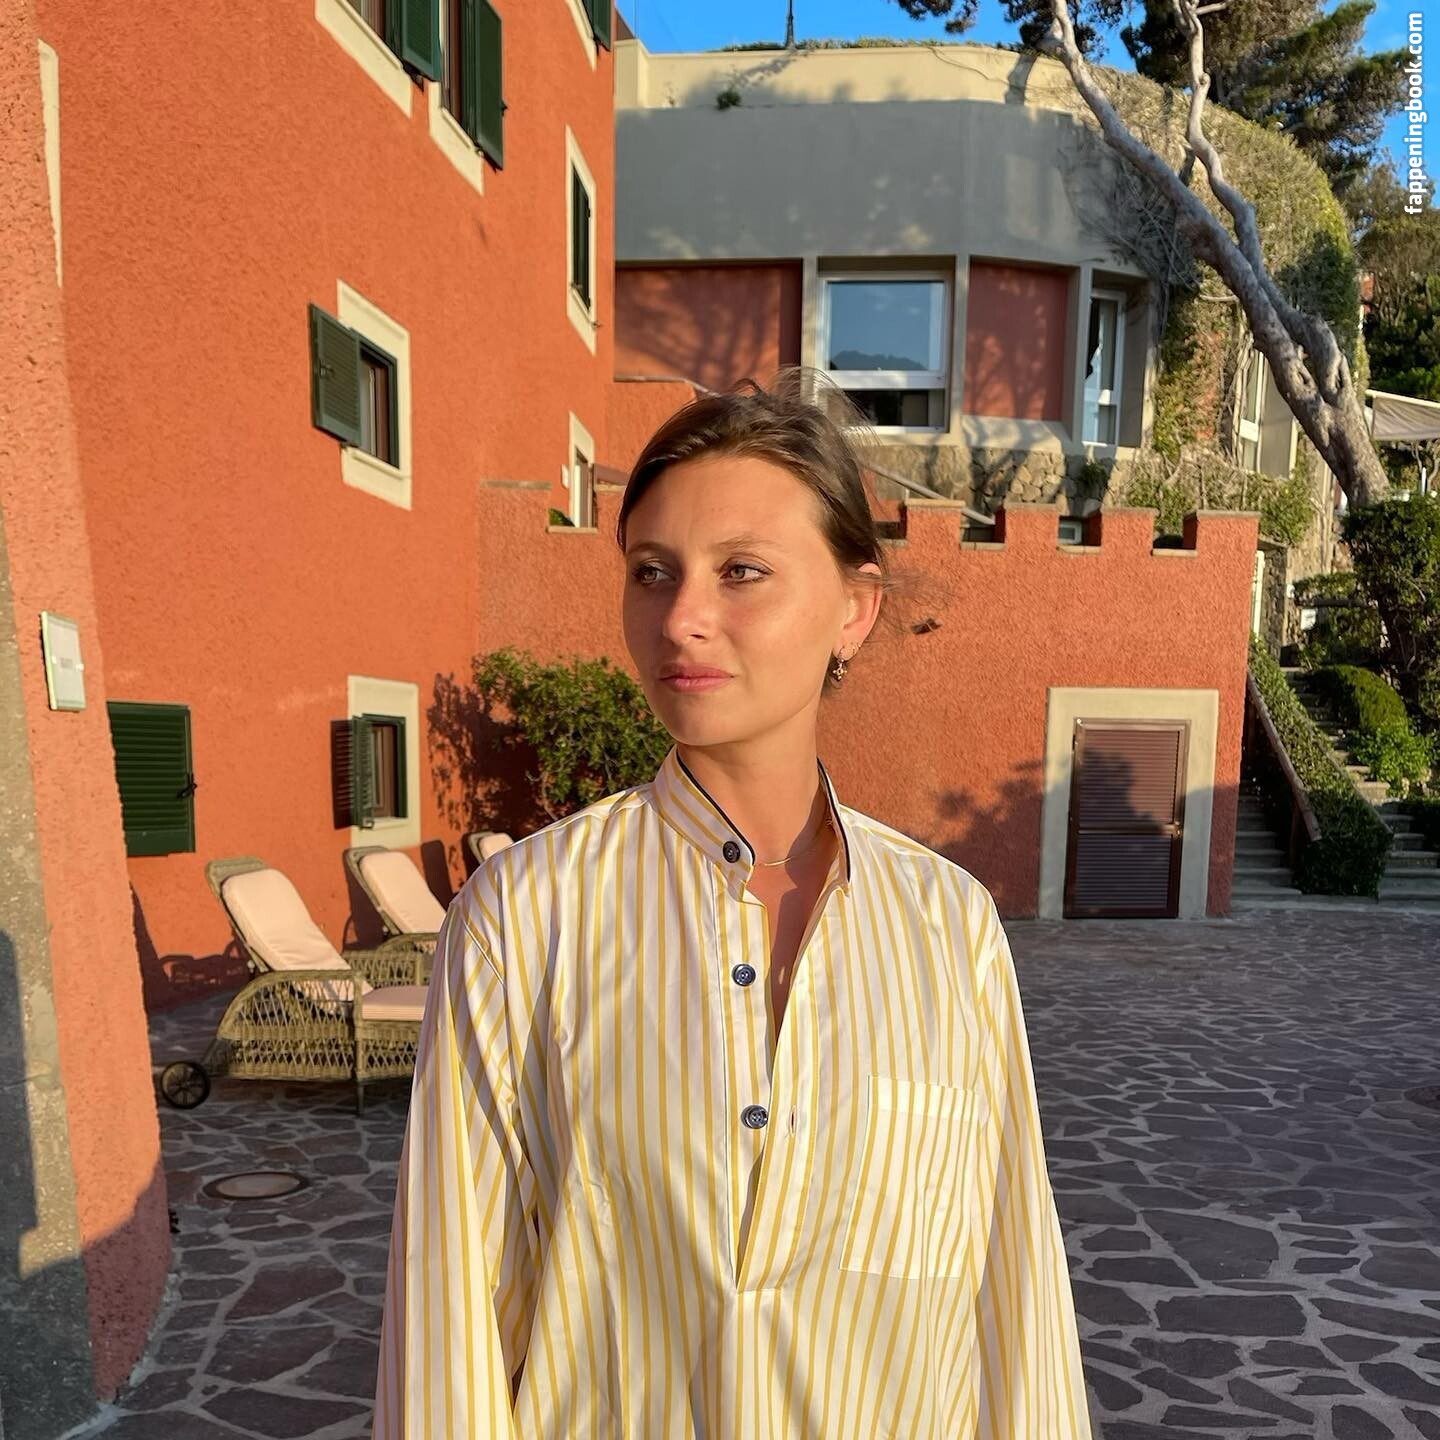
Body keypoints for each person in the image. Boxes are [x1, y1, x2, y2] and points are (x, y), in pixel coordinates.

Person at [373, 370, 1094, 1438]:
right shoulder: (527, 919)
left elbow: (1011, 1288)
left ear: (854, 610)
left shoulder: (951, 928)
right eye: (651, 572)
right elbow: (451, 1318)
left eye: (742, 571)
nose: (682, 619)